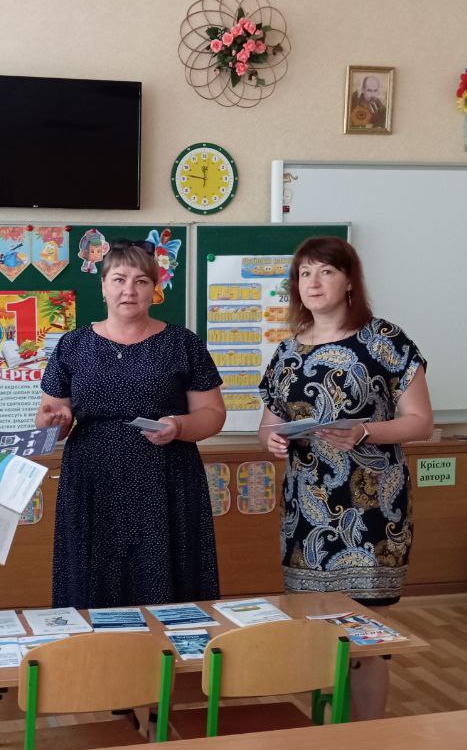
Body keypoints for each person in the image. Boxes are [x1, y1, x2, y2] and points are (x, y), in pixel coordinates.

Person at [257, 237, 433, 721]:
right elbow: (269, 424)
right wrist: (272, 441)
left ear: (349, 279)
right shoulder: (288, 351)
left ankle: (366, 733)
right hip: (306, 512)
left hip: (373, 508)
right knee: (316, 626)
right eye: (304, 274)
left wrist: (364, 431)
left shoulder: (386, 340)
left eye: (326, 272)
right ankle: (328, 731)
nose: (312, 283)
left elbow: (420, 422)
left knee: (367, 631)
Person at [36, 240, 226, 609]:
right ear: (103, 286)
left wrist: (178, 426)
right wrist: (51, 422)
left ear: (154, 289)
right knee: (93, 580)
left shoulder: (183, 343)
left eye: (141, 281)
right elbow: (50, 422)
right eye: (119, 279)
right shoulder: (72, 345)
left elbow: (213, 414)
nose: (129, 290)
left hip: (165, 477)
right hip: (93, 480)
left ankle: (170, 644)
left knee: (167, 580)